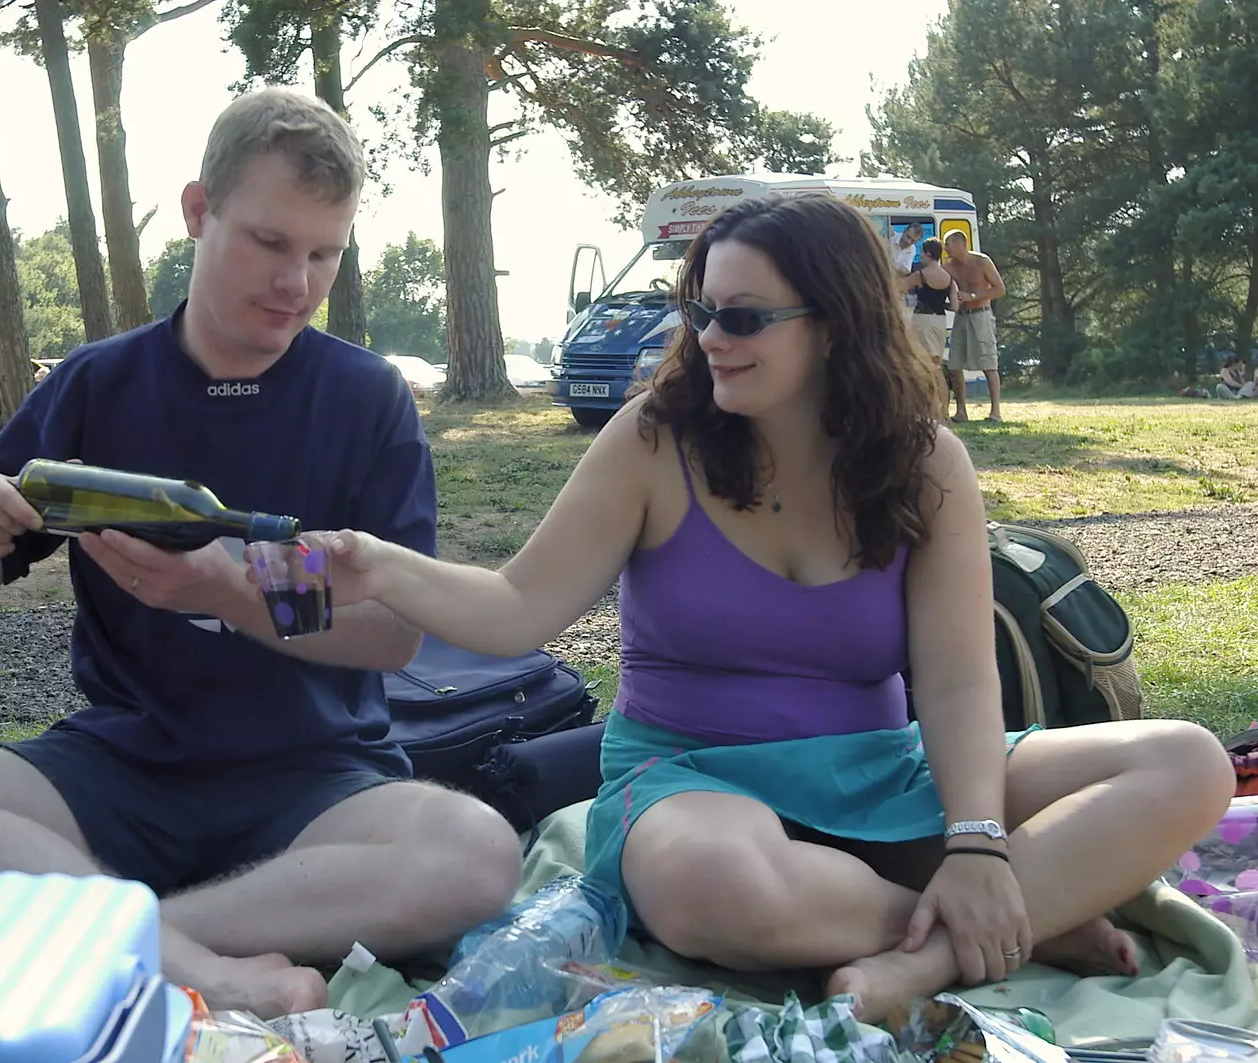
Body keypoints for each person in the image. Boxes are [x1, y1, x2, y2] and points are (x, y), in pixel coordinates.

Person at [294, 194, 1234, 1021]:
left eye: (742, 316)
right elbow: (515, 607)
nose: (709, 338)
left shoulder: (925, 461)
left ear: (834, 324)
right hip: (691, 784)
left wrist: (981, 844)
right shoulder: (655, 439)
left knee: (1187, 762)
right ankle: (1026, 919)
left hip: (882, 770)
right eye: (701, 311)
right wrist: (377, 567)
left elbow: (954, 679)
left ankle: (951, 945)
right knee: (715, 886)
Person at [0, 87, 523, 1018]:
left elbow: (393, 632)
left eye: (324, 254)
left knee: (475, 850)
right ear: (199, 211)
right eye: (271, 244)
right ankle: (206, 964)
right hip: (121, 765)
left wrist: (232, 593)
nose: (297, 284)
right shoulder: (99, 382)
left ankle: (121, 935)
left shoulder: (366, 397)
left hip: (316, 783)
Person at [941, 231, 1005, 423]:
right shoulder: (948, 268)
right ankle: (961, 411)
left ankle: (995, 412)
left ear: (961, 244)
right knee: (954, 364)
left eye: (948, 244)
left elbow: (1000, 289)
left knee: (988, 364)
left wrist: (974, 297)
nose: (946, 249)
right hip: (961, 316)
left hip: (981, 316)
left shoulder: (982, 262)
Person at [898, 238, 956, 411]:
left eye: (922, 253)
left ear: (929, 254)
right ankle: (944, 408)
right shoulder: (949, 278)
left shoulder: (921, 275)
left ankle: (927, 405)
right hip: (940, 320)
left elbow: (899, 287)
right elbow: (954, 306)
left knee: (923, 364)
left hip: (922, 319)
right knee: (937, 365)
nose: (921, 256)